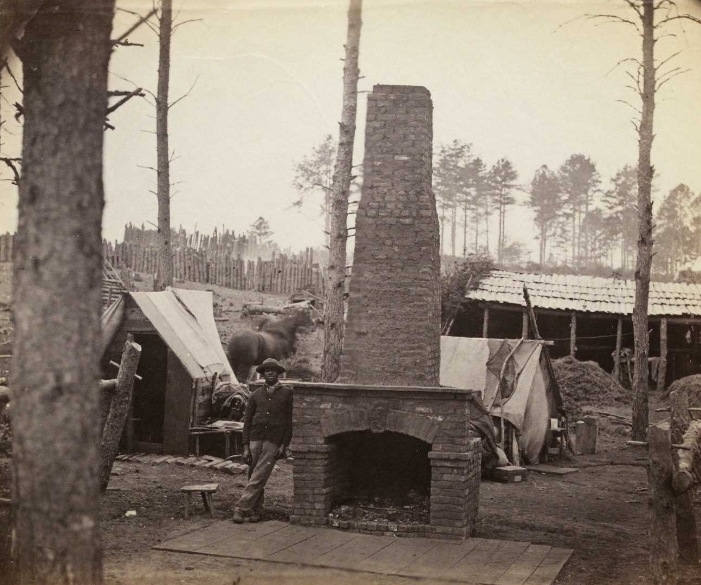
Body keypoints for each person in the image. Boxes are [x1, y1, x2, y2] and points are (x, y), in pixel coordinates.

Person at [232, 358, 293, 524]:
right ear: (263, 373)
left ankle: (241, 508)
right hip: (255, 439)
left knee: (259, 475)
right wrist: (245, 446)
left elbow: (289, 422)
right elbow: (247, 422)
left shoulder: (287, 393)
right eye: (267, 370)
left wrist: (283, 445)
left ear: (278, 373)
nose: (270, 373)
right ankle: (257, 510)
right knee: (253, 474)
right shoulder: (255, 395)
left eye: (273, 370)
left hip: (273, 441)